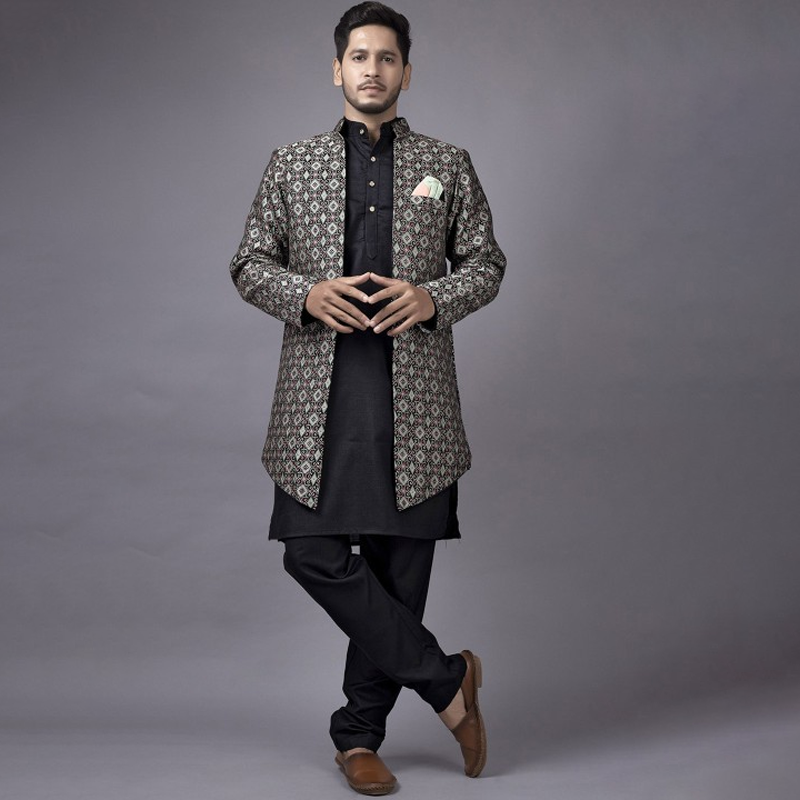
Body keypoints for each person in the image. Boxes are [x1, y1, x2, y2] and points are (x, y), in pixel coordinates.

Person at [229, 2, 505, 794]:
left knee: (397, 573)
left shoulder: (447, 164)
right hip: (319, 395)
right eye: (359, 56)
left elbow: (486, 263)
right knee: (310, 552)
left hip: (416, 401)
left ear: (406, 73)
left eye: (387, 57)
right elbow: (249, 263)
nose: (373, 69)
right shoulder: (293, 163)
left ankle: (358, 739)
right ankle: (447, 680)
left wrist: (434, 297)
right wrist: (306, 294)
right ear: (337, 69)